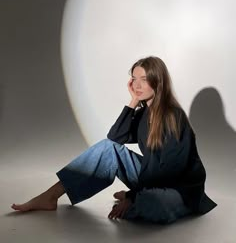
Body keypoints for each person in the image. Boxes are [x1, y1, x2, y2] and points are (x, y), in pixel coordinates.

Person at [11, 56, 217, 224]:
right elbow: (115, 137)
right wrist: (133, 101)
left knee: (153, 203)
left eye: (143, 79)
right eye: (133, 78)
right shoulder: (146, 113)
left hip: (179, 189)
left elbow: (171, 171)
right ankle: (50, 196)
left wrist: (133, 196)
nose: (136, 84)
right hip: (152, 178)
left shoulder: (174, 116)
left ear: (157, 80)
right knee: (107, 148)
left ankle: (141, 201)